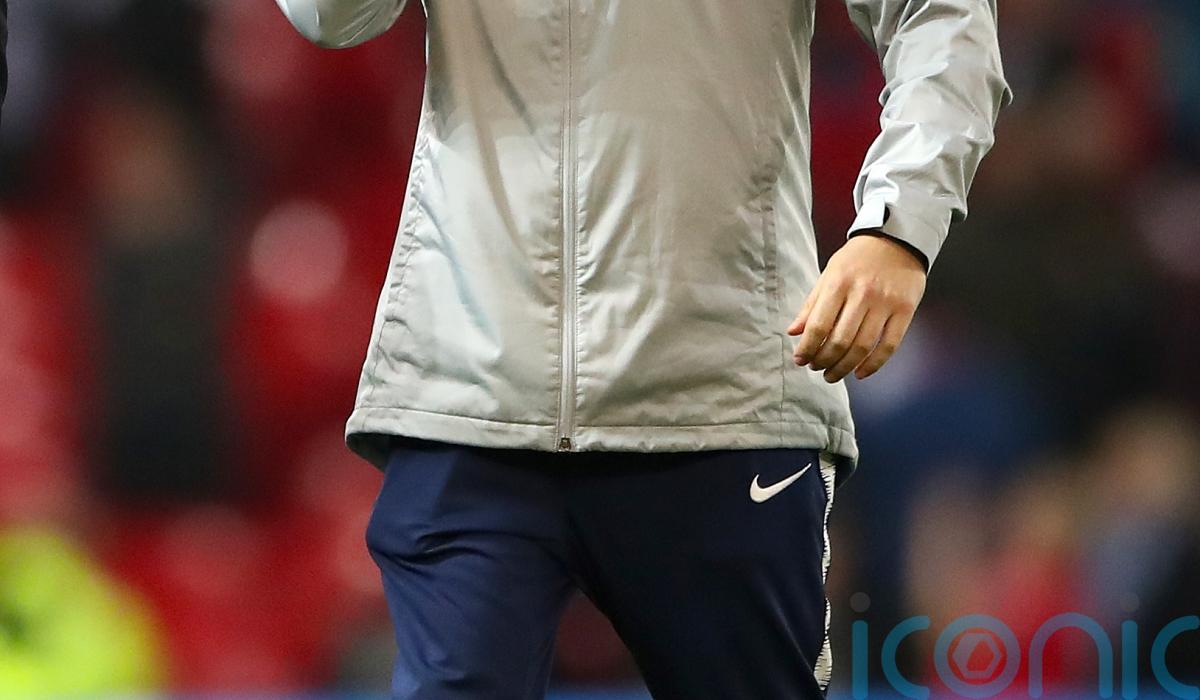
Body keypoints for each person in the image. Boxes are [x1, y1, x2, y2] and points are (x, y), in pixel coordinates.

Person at [275, 0, 1010, 697]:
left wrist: (899, 226)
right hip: (474, 394)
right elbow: (330, 17)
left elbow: (939, 16)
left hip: (720, 400)